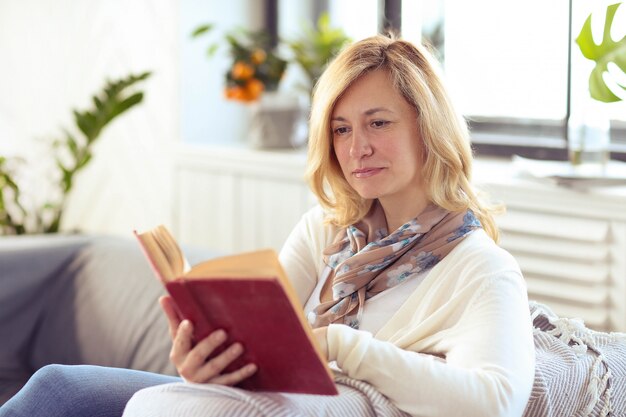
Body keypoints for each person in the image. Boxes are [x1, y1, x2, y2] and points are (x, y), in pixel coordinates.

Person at [0, 34, 535, 417]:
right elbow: (267, 340)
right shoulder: (329, 232)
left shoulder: (480, 267)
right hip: (261, 395)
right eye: (341, 129)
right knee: (55, 388)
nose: (357, 148)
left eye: (378, 123)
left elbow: (494, 402)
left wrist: (342, 346)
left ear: (429, 129)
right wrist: (201, 362)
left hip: (302, 404)